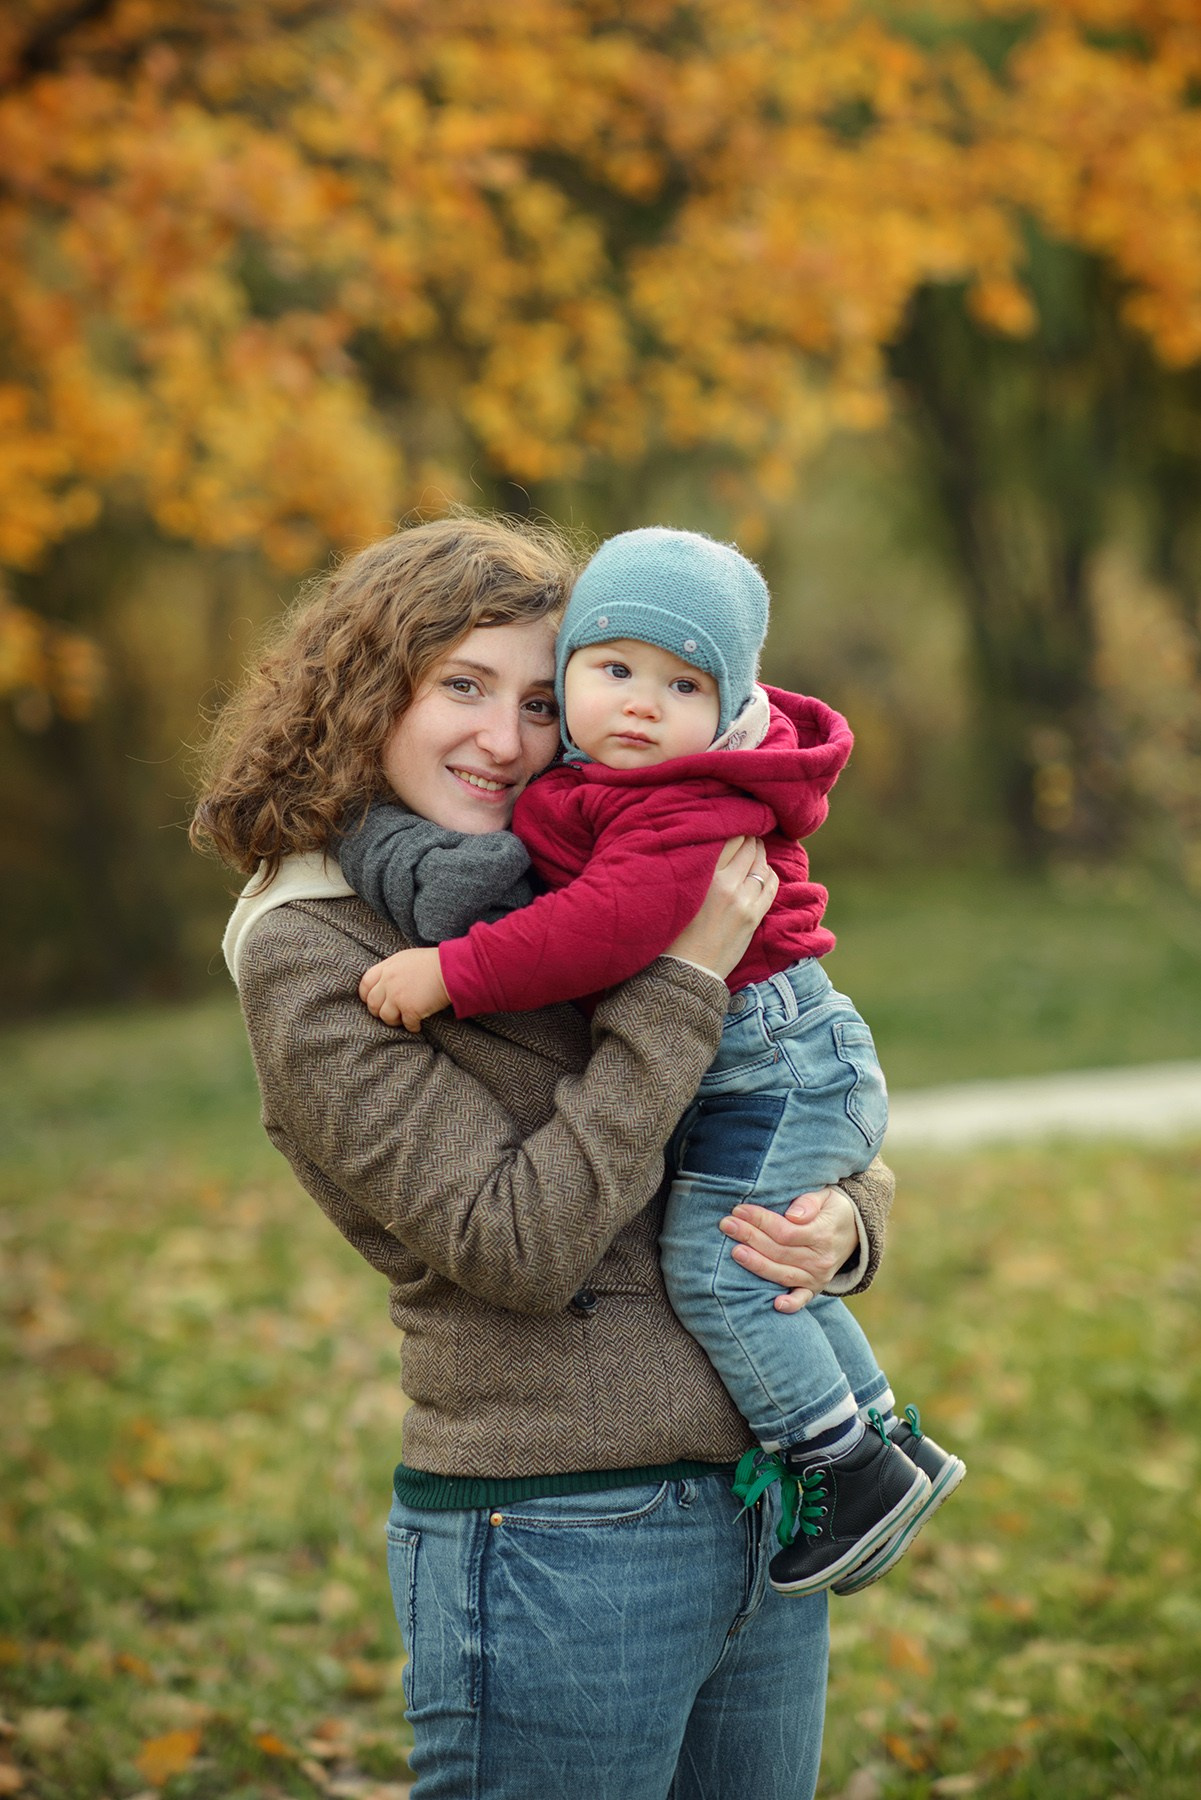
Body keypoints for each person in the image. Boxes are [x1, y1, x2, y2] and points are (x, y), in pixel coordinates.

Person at [192, 514, 897, 1800]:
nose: (505, 740)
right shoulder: (312, 949)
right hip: (561, 1535)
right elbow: (520, 1244)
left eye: (534, 697)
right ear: (368, 694)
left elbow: (766, 1099)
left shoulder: (569, 869)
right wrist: (683, 972)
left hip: (756, 1505)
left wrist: (846, 1222)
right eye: (459, 688)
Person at [341, 526, 965, 1601]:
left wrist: (455, 970)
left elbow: (599, 929)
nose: (637, 702)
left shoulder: (686, 801)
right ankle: (881, 1440)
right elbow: (521, 1239)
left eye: (679, 683)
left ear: (726, 709)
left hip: (768, 1058)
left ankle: (844, 1464)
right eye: (610, 669)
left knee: (721, 1265)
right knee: (746, 1253)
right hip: (769, 1065)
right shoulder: (607, 789)